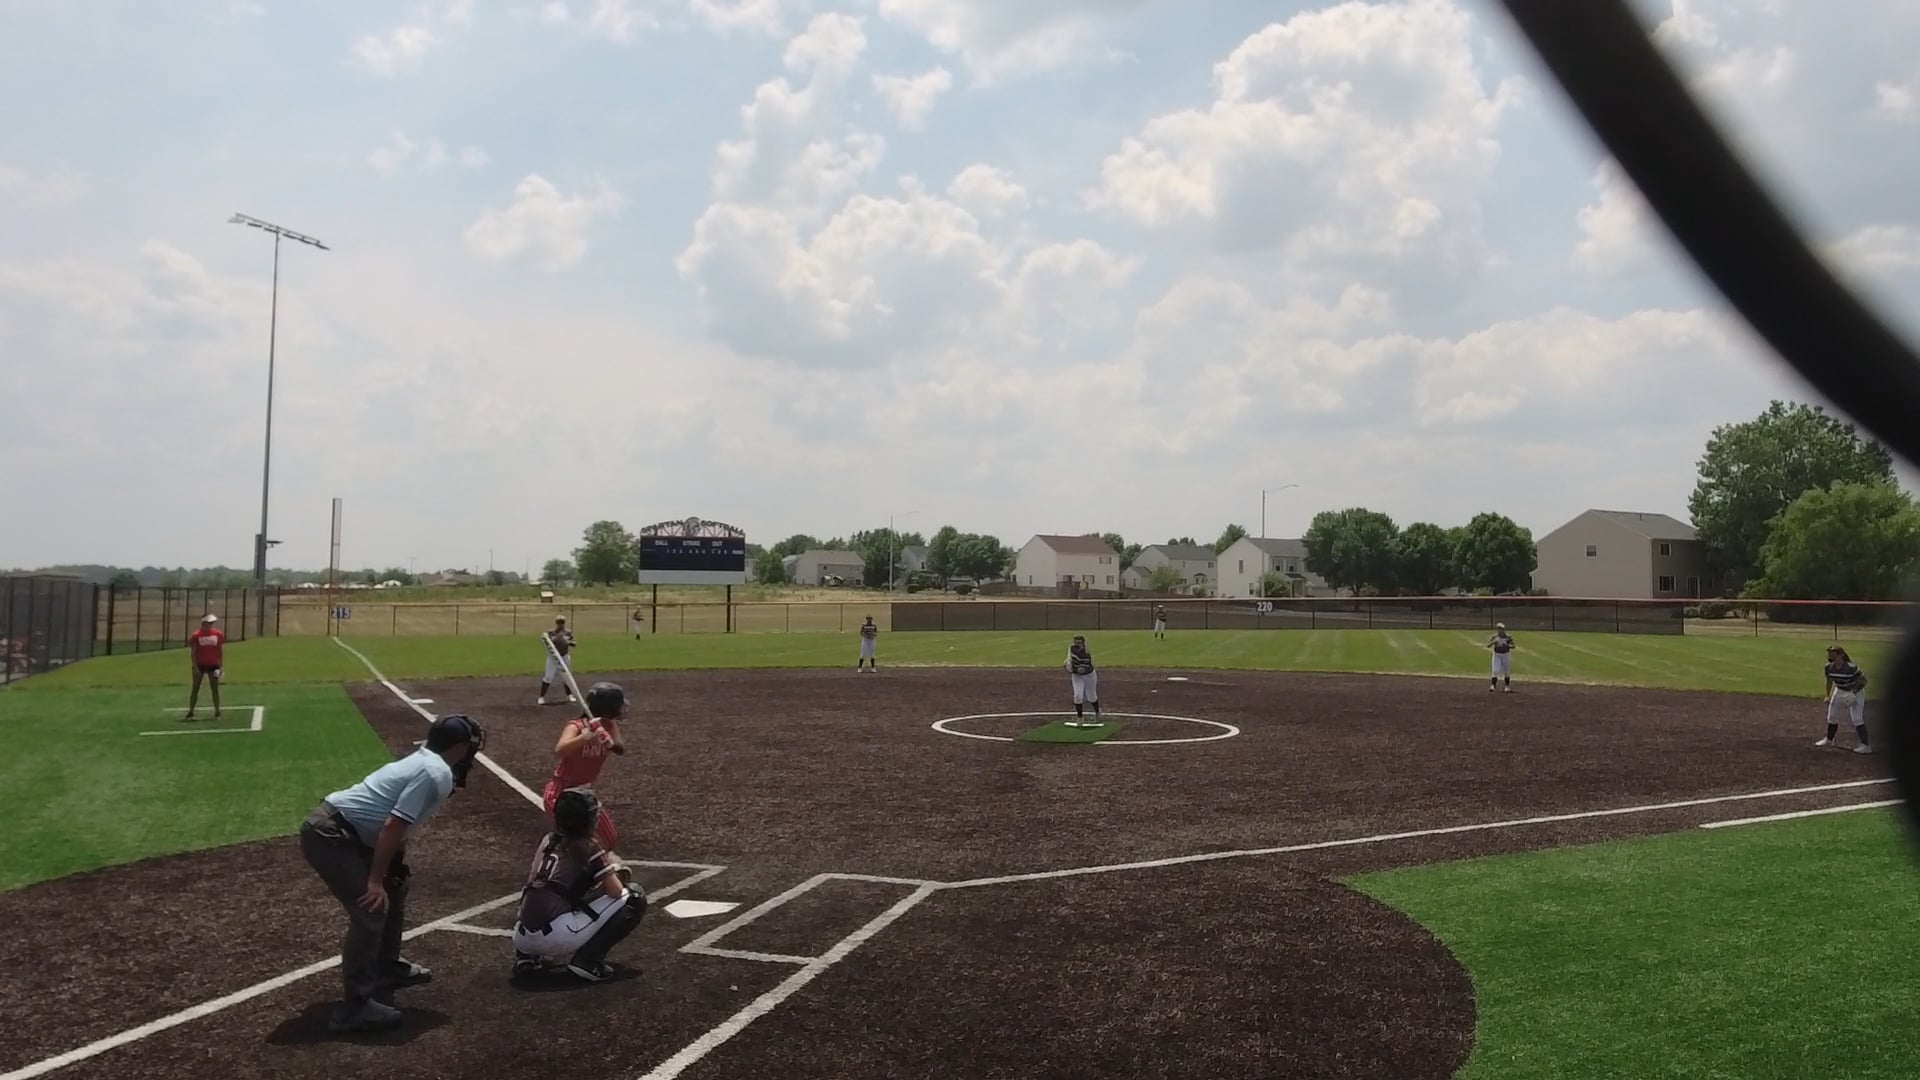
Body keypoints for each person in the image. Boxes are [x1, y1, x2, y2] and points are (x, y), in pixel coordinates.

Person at [298, 713, 484, 1034]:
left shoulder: (426, 760)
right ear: (457, 747)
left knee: (395, 887)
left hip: (344, 830)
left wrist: (391, 869)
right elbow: (394, 824)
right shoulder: (436, 772)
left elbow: (399, 824)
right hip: (331, 836)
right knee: (370, 908)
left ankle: (385, 967)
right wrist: (374, 881)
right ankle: (354, 1008)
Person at [512, 787, 647, 982]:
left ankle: (526, 957)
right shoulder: (589, 847)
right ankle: (588, 962)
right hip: (557, 937)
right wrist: (612, 871)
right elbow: (616, 891)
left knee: (541, 890)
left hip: (521, 936)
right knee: (634, 896)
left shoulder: (548, 841)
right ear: (589, 819)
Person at [543, 681, 627, 852]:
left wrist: (609, 742)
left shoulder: (609, 725)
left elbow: (620, 749)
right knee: (577, 841)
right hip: (561, 794)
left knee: (608, 838)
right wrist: (585, 737)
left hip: (584, 795)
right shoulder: (576, 726)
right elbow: (560, 750)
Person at [1818, 644, 1873, 754]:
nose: (1831, 655)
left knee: (1857, 718)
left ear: (1841, 655)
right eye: (1830, 653)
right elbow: (1829, 681)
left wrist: (1853, 693)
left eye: (1834, 653)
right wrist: (1827, 695)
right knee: (1832, 715)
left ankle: (1866, 746)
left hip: (1856, 692)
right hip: (1840, 690)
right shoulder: (1829, 668)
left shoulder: (1851, 668)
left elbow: (1863, 681)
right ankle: (1829, 740)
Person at [186, 614, 225, 721]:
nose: (211, 625)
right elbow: (193, 652)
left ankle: (217, 711)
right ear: (204, 623)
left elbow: (220, 650)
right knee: (195, 688)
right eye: (209, 623)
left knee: (215, 688)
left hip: (213, 665)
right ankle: (191, 711)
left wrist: (220, 665)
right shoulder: (196, 635)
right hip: (200, 665)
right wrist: (195, 667)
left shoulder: (218, 634)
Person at [538, 615, 577, 706]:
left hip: (564, 657)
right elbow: (544, 641)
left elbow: (574, 643)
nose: (560, 624)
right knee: (548, 677)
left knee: (567, 676)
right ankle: (541, 697)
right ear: (556, 623)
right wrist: (545, 639)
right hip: (553, 658)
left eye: (562, 622)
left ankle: (569, 695)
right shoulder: (551, 632)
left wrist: (569, 642)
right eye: (559, 622)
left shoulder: (568, 632)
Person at [1064, 635, 1101, 727]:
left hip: (1089, 675)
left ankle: (1097, 711)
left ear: (1083, 643)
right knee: (1077, 696)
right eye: (1075, 643)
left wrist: (1076, 669)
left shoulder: (1086, 652)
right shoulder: (1071, 649)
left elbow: (1087, 667)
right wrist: (1069, 666)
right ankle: (1080, 717)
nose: (1077, 645)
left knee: (1091, 696)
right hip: (1077, 676)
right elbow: (1069, 661)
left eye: (1079, 643)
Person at [1486, 623, 1516, 692]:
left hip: (1506, 655)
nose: (1499, 630)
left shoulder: (1508, 637)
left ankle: (1507, 686)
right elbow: (1488, 645)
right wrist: (1493, 642)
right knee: (1495, 670)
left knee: (1506, 671)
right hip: (1497, 655)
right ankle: (1493, 685)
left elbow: (1513, 646)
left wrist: (1507, 645)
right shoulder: (1494, 636)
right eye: (1498, 629)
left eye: (1501, 629)